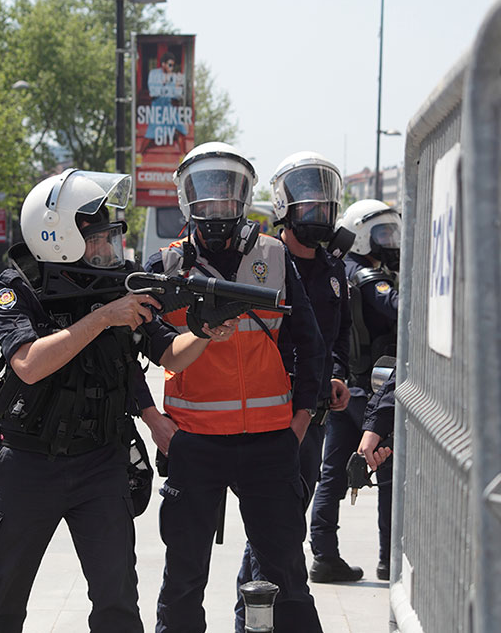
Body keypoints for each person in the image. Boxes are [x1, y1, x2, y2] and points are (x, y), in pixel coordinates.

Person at [0, 168, 236, 632]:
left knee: (117, 606)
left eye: (111, 237)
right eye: (97, 239)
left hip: (101, 462)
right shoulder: (17, 286)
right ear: (59, 237)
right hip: (30, 464)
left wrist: (204, 332)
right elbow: (29, 364)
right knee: (0, 606)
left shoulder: (119, 285)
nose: (108, 250)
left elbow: (168, 350)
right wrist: (102, 318)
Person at [145, 142, 326, 633]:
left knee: (288, 574)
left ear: (244, 195)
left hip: (270, 443)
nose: (217, 203)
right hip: (194, 441)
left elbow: (312, 345)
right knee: (183, 579)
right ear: (186, 197)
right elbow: (130, 347)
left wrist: (300, 422)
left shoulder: (274, 255)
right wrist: (155, 422)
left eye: (228, 190)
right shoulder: (164, 266)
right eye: (206, 190)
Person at [236, 151, 351, 611]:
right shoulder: (265, 259)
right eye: (309, 206)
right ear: (285, 206)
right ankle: (254, 616)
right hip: (273, 413)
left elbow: (337, 336)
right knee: (275, 526)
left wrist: (337, 375)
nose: (318, 214)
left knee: (286, 524)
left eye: (325, 207)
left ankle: (262, 612)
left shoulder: (333, 268)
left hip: (315, 414)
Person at [309, 199, 400, 583]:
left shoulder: (338, 270)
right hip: (371, 390)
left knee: (331, 472)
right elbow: (399, 306)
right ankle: (388, 558)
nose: (389, 241)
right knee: (386, 472)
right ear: (361, 233)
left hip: (345, 386)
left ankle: (324, 555)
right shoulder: (364, 275)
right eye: (381, 232)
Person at [140, 51, 188, 155]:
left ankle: (183, 158)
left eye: (173, 65)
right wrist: (165, 83)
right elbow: (153, 92)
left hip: (168, 105)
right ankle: (140, 154)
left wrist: (177, 85)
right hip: (157, 105)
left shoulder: (174, 76)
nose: (171, 67)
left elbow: (177, 95)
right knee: (151, 131)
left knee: (181, 129)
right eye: (170, 65)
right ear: (163, 64)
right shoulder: (154, 74)